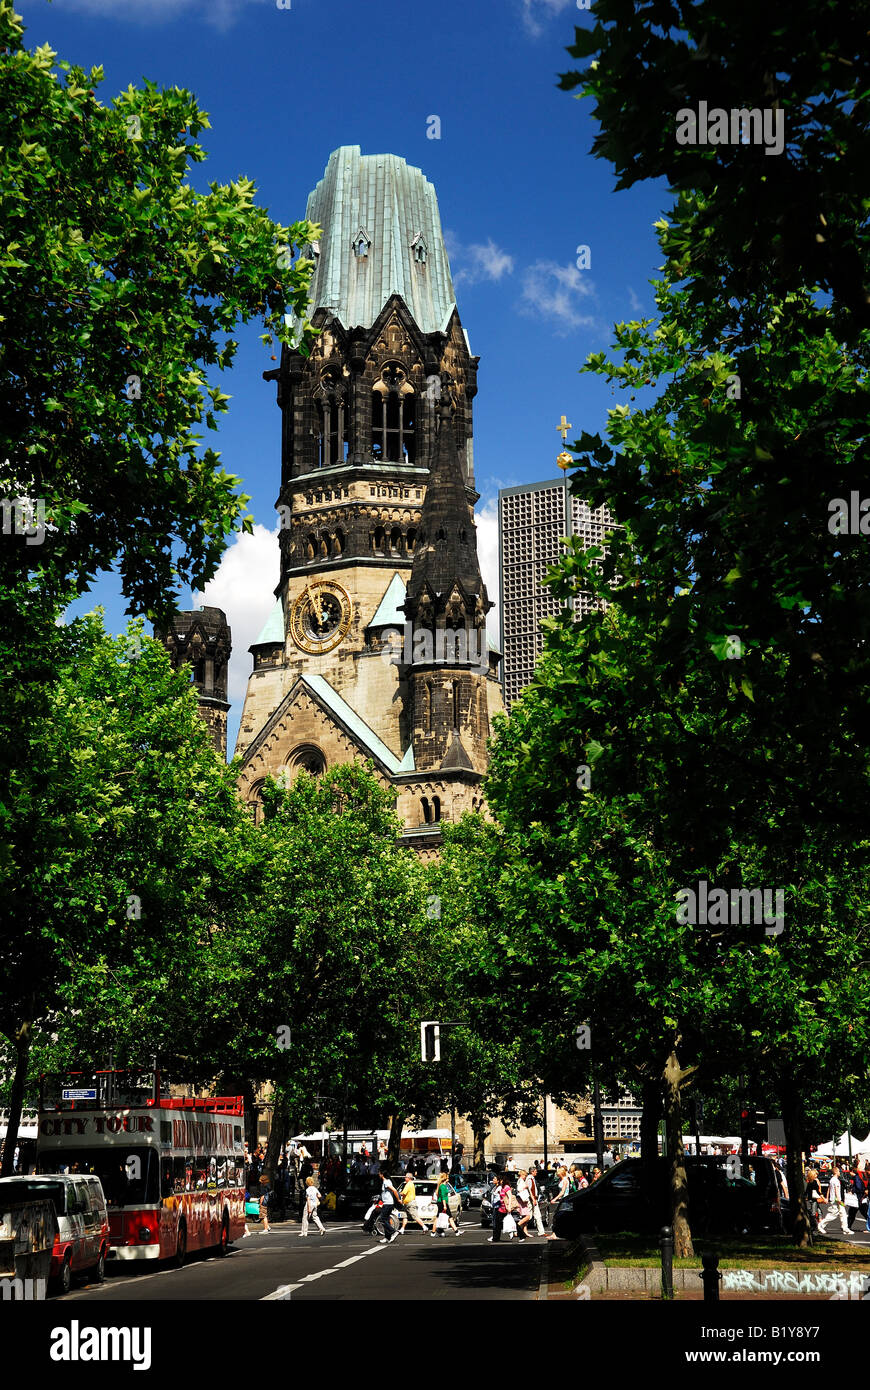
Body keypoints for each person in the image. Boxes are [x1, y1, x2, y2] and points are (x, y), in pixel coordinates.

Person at [820, 1164, 849, 1235]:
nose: (839, 1172)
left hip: (834, 1199)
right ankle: (821, 1225)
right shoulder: (836, 1180)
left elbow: (829, 1189)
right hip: (836, 1200)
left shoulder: (831, 1180)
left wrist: (827, 1197)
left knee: (843, 1213)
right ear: (836, 1172)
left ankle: (845, 1228)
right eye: (839, 1171)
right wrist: (839, 1200)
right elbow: (836, 1190)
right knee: (833, 1214)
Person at [376, 1164, 402, 1243]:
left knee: (382, 1219)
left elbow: (394, 1190)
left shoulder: (386, 1182)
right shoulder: (386, 1181)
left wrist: (398, 1199)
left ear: (382, 1174)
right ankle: (387, 1237)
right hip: (386, 1203)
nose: (378, 1175)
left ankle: (393, 1232)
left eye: (379, 1173)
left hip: (388, 1203)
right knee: (386, 1219)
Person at [546, 1165, 570, 1240]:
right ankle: (555, 1234)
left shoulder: (565, 1180)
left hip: (565, 1201)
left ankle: (558, 1234)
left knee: (559, 1217)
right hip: (562, 1201)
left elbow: (562, 1192)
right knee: (557, 1217)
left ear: (561, 1173)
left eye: (558, 1173)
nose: (557, 1175)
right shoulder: (561, 1180)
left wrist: (554, 1199)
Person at [487, 1175, 510, 1243]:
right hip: (495, 1206)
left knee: (497, 1223)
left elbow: (504, 1197)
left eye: (495, 1179)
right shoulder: (495, 1187)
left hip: (499, 1206)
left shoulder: (500, 1187)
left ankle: (496, 1237)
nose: (493, 1180)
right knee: (496, 1223)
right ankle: (495, 1237)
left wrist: (507, 1205)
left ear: (498, 1180)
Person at [527, 1166, 547, 1236]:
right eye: (535, 1171)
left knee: (538, 1216)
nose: (536, 1172)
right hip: (531, 1200)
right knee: (528, 1216)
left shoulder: (532, 1178)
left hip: (534, 1199)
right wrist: (533, 1199)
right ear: (532, 1172)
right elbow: (529, 1190)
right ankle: (519, 1229)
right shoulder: (529, 1179)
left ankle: (541, 1232)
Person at [515, 1169, 534, 1240]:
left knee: (525, 1216)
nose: (525, 1177)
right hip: (523, 1200)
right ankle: (518, 1225)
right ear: (522, 1175)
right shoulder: (521, 1181)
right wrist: (525, 1187)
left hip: (521, 1200)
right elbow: (519, 1189)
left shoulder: (519, 1181)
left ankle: (525, 1232)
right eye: (525, 1175)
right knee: (528, 1216)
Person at [804, 1166, 822, 1231]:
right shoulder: (814, 1182)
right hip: (814, 1199)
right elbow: (817, 1190)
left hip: (811, 1199)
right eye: (815, 1175)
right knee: (814, 1213)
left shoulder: (809, 1182)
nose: (816, 1176)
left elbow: (806, 1191)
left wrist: (805, 1196)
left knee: (819, 1211)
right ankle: (813, 1226)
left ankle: (819, 1225)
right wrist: (822, 1196)